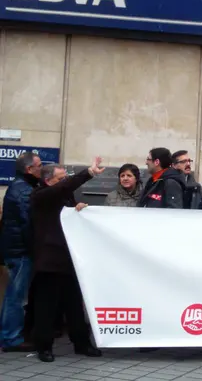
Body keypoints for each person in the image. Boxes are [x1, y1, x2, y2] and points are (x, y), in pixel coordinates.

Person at [30, 157, 105, 363]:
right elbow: (60, 193)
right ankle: (43, 347)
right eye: (61, 179)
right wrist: (88, 173)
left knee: (74, 307)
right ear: (48, 181)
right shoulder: (41, 196)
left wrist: (78, 210)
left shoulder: (65, 197)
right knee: (46, 307)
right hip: (49, 263)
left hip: (70, 260)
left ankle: (82, 344)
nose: (65, 182)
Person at [0, 152, 41, 352]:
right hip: (21, 251)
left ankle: (9, 334)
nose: (41, 169)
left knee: (13, 295)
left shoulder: (17, 186)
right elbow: (28, 223)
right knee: (16, 297)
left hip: (14, 249)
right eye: (39, 166)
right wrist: (35, 248)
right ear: (29, 169)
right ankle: (11, 338)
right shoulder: (24, 190)